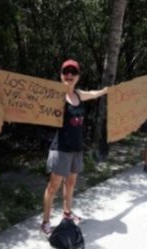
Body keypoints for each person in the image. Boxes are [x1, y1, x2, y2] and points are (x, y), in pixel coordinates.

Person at [41, 59, 108, 235]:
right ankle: (45, 222)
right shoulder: (55, 95)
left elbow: (93, 94)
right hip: (61, 149)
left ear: (78, 76)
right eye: (66, 72)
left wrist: (106, 91)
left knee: (70, 184)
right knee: (53, 187)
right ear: (61, 75)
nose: (69, 75)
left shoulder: (78, 94)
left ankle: (67, 213)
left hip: (77, 149)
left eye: (73, 72)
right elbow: (25, 98)